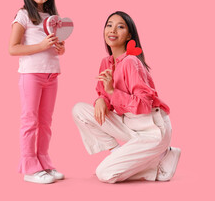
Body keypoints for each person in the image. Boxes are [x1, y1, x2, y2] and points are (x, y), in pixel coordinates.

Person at [72, 11, 181, 183]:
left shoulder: (131, 61)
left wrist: (110, 92)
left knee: (104, 173)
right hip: (130, 124)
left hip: (152, 128)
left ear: (129, 35)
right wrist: (101, 99)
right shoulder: (106, 62)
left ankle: (160, 159)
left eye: (120, 26)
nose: (112, 30)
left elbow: (144, 104)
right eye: (109, 25)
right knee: (79, 110)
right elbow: (104, 95)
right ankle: (118, 153)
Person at [9, 0, 65, 184]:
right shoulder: (22, 15)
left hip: (52, 75)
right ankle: (30, 167)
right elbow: (12, 48)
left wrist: (59, 49)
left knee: (46, 122)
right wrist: (41, 45)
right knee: (30, 121)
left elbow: (57, 47)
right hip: (31, 75)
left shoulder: (53, 18)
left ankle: (43, 161)